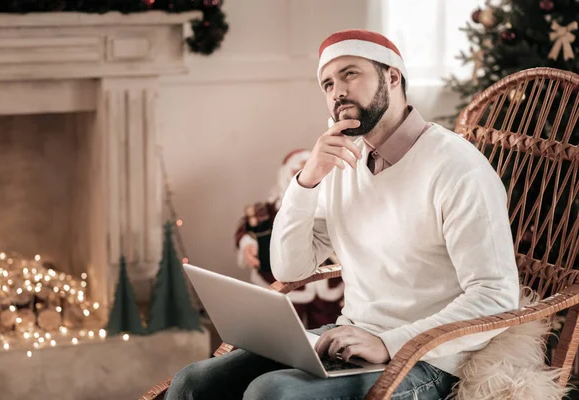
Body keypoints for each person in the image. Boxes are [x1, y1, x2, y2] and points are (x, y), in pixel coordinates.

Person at [165, 29, 520, 400]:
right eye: (327, 83)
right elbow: (289, 269)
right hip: (348, 339)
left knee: (271, 393)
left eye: (350, 74)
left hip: (431, 362)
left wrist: (387, 341)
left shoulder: (457, 168)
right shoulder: (340, 162)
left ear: (392, 77)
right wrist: (306, 182)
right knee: (193, 383)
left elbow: (496, 295)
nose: (337, 91)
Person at [234, 149, 344, 329]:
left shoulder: (331, 201)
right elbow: (246, 228)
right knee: (284, 329)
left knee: (326, 330)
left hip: (325, 284)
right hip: (286, 288)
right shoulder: (267, 210)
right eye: (297, 172)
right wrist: (248, 244)